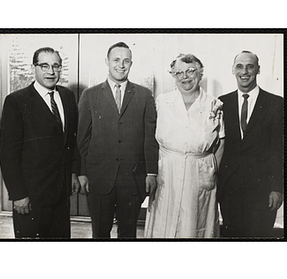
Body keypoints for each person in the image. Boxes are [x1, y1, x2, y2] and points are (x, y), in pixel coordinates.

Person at [77, 42, 158, 239]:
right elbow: (82, 137)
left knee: (128, 233)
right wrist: (82, 173)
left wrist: (151, 172)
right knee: (100, 232)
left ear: (131, 63)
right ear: (107, 62)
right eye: (116, 60)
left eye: (126, 61)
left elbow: (150, 137)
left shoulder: (144, 95)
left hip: (132, 179)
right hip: (99, 178)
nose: (121, 65)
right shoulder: (90, 95)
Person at [0, 47, 80, 239]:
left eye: (56, 66)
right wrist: (18, 194)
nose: (51, 72)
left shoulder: (68, 97)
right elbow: (7, 154)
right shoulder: (16, 101)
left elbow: (70, 141)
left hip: (61, 195)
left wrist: (73, 172)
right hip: (30, 197)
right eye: (44, 66)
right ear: (33, 68)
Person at [144, 54, 225, 238]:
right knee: (164, 225)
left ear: (200, 73)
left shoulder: (214, 104)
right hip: (167, 173)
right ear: (173, 75)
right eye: (179, 72)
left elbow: (221, 142)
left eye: (190, 71)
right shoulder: (162, 102)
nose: (185, 77)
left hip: (199, 174)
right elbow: (150, 140)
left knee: (195, 226)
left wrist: (212, 172)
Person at [218, 51, 283, 238]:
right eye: (239, 66)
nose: (244, 71)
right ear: (233, 70)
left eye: (250, 66)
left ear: (258, 70)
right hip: (230, 190)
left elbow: (280, 149)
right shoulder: (222, 103)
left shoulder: (276, 104)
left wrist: (277, 188)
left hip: (262, 191)